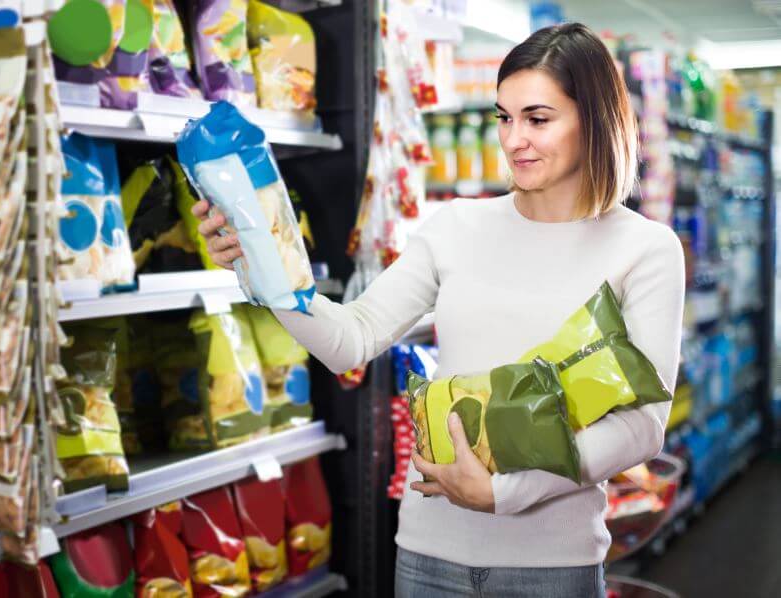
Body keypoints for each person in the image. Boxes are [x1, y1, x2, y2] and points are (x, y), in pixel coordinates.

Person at [192, 22, 684, 598]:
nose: (514, 139)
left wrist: (502, 493)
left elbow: (641, 427)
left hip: (550, 567)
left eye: (538, 118)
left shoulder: (645, 250)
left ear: (594, 120)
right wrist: (260, 267)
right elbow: (351, 339)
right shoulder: (457, 226)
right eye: (504, 117)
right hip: (428, 557)